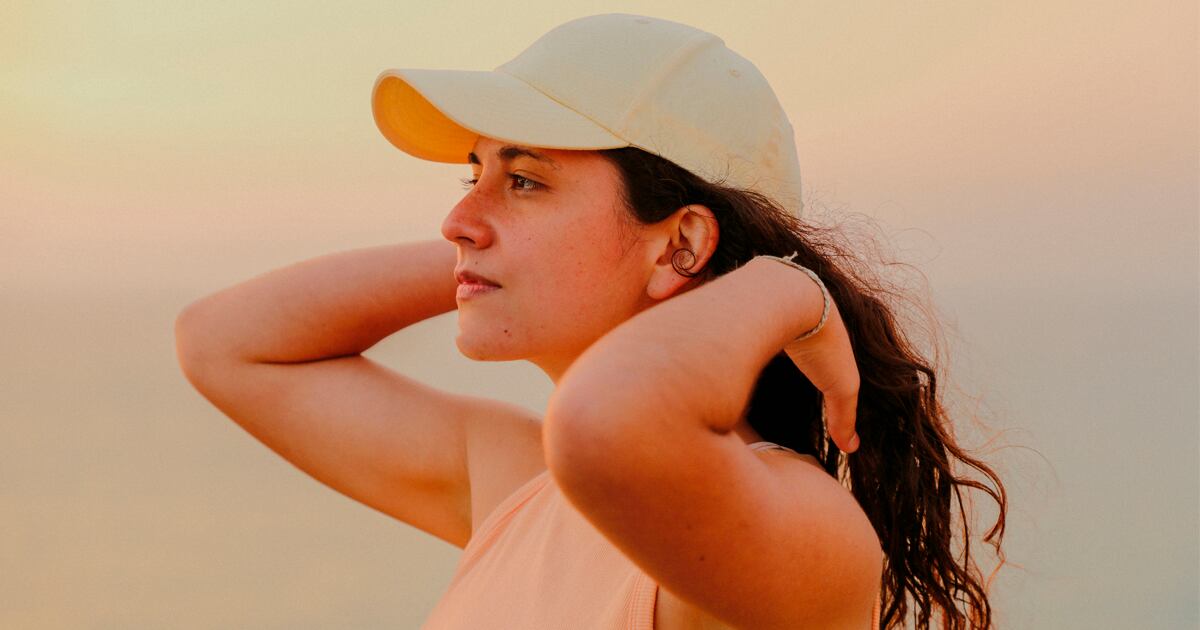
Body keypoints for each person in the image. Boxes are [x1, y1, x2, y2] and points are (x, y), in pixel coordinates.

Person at [175, 13, 1007, 629]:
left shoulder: (802, 526)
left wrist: (788, 290)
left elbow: (609, 425)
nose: (456, 220)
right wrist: (490, 257)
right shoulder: (522, 486)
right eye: (473, 176)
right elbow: (225, 343)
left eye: (525, 180)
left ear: (681, 244)